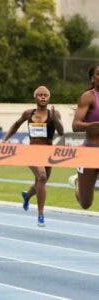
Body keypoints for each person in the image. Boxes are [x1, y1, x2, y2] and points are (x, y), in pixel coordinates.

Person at [3, 86, 64, 226]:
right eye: (40, 95)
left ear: (49, 98)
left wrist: (55, 119)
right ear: (35, 97)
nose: (43, 97)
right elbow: (16, 125)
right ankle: (41, 215)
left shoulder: (54, 113)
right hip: (32, 151)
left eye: (46, 95)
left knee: (41, 182)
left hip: (48, 152)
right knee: (41, 176)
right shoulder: (28, 113)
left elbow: (60, 132)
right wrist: (5, 139)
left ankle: (27, 195)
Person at [70, 65, 99, 209]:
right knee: (85, 203)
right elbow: (75, 125)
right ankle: (77, 183)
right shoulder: (88, 97)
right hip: (89, 151)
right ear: (93, 78)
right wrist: (90, 125)